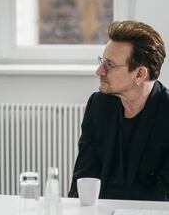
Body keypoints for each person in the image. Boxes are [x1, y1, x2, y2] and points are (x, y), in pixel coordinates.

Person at [69, 20, 169, 201]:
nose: (99, 71)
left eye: (110, 65)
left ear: (139, 74)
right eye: (102, 62)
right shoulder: (98, 105)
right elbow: (84, 179)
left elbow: (164, 197)